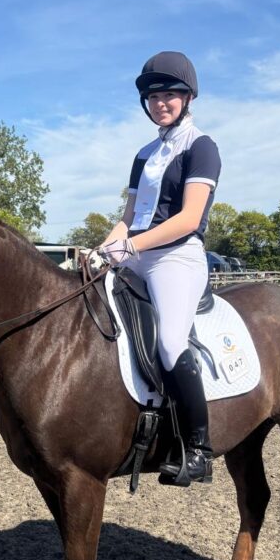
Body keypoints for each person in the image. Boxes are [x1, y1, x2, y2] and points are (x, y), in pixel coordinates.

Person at [94, 51, 221, 485]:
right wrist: (106, 247)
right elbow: (127, 216)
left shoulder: (201, 147)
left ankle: (199, 449)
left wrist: (129, 246)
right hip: (138, 252)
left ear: (187, 97)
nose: (160, 102)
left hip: (178, 256)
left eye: (169, 94)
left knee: (169, 342)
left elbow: (187, 218)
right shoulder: (145, 153)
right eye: (153, 96)